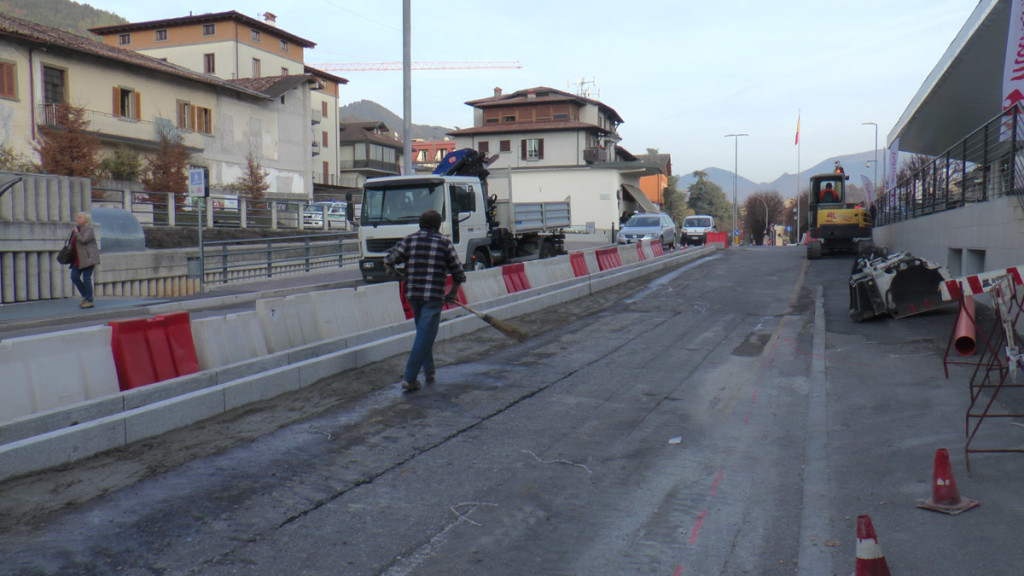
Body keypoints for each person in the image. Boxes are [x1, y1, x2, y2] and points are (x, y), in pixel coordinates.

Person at [384, 210, 466, 392]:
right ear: (438, 225)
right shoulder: (444, 243)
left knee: (423, 333)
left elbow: (389, 260)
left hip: (413, 295)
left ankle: (429, 371)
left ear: (420, 224)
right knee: (425, 335)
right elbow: (459, 272)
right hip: (433, 297)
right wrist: (453, 293)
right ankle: (410, 378)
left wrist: (396, 274)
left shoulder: (410, 240)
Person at [70, 211, 100, 308]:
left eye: (80, 217)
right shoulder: (77, 229)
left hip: (88, 258)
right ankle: (86, 296)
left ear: (85, 220)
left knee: (86, 278)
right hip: (78, 259)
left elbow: (84, 240)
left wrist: (77, 233)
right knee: (74, 276)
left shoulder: (89, 229)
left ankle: (89, 300)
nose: (77, 219)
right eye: (77, 217)